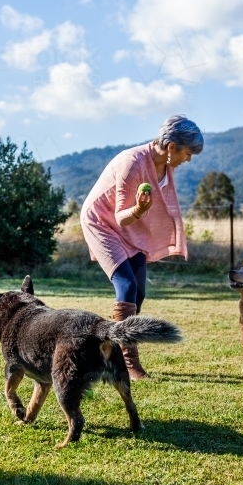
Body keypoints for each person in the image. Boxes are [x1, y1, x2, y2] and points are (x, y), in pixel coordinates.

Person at [80, 115, 203, 379]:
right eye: (187, 153)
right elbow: (122, 214)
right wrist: (139, 209)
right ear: (171, 147)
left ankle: (107, 349)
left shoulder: (165, 167)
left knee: (140, 292)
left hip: (129, 227)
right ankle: (127, 363)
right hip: (102, 222)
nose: (188, 159)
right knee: (126, 285)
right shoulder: (132, 162)